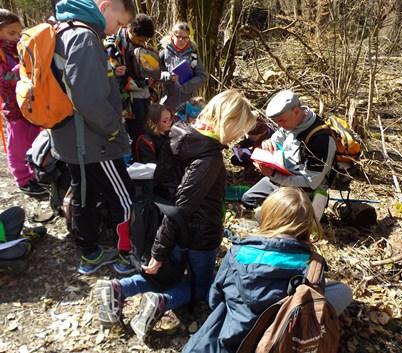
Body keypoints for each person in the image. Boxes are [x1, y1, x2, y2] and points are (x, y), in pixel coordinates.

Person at [95, 89, 257, 339]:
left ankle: (118, 288)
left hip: (175, 228)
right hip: (198, 234)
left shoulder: (182, 133)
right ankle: (160, 302)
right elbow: (183, 206)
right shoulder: (209, 157)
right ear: (229, 121)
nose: (240, 136)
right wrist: (159, 252)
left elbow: (171, 189)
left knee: (167, 275)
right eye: (240, 129)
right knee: (201, 286)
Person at [182, 187, 352, 353]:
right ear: (308, 223)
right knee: (343, 291)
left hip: (233, 337)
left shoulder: (237, 253)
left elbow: (214, 298)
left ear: (267, 216)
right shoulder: (313, 265)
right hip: (283, 338)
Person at [50, 0, 136, 275]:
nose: (116, 30)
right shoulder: (85, 38)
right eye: (119, 22)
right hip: (95, 141)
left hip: (70, 140)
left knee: (83, 193)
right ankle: (126, 253)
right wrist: (113, 129)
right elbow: (88, 99)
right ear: (105, 6)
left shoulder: (63, 29)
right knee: (123, 196)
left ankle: (89, 252)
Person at [242, 89, 337, 220]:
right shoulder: (292, 123)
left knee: (279, 218)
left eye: (281, 121)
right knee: (248, 200)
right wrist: (268, 142)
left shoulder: (321, 140)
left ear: (296, 111)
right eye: (277, 122)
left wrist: (273, 175)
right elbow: (278, 136)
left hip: (303, 190)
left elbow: (310, 183)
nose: (279, 125)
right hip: (283, 176)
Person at [0, 9, 46, 196]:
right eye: (12, 33)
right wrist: (23, 68)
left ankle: (35, 173)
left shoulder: (19, 48)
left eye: (19, 33)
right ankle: (23, 179)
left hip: (29, 104)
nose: (17, 36)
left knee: (34, 139)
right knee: (18, 145)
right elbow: (4, 77)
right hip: (13, 108)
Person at [105, 13, 155, 148]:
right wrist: (143, 83)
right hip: (126, 102)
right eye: (139, 40)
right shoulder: (113, 45)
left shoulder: (144, 46)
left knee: (147, 131)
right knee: (135, 135)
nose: (141, 43)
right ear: (130, 29)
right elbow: (120, 81)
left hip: (145, 96)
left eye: (144, 41)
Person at [134, 103, 182, 201]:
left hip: (176, 181)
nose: (169, 122)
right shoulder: (146, 141)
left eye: (170, 119)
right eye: (165, 121)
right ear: (154, 122)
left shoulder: (172, 134)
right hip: (160, 188)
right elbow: (151, 169)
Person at [159, 22, 208, 112]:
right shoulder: (164, 53)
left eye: (185, 38)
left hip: (189, 102)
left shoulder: (193, 54)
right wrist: (168, 76)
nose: (182, 40)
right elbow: (156, 74)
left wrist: (186, 86)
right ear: (172, 35)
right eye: (179, 37)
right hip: (169, 101)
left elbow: (203, 76)